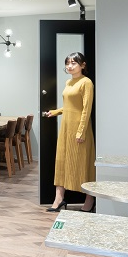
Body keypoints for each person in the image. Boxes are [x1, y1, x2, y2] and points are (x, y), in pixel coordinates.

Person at [42, 52, 95, 212]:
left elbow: (86, 109)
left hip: (79, 129)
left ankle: (90, 200)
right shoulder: (69, 82)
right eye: (67, 63)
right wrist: (56, 112)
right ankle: (59, 199)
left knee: (83, 164)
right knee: (62, 162)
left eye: (73, 63)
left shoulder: (86, 82)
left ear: (83, 65)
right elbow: (70, 106)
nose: (70, 66)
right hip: (65, 128)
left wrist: (81, 131)